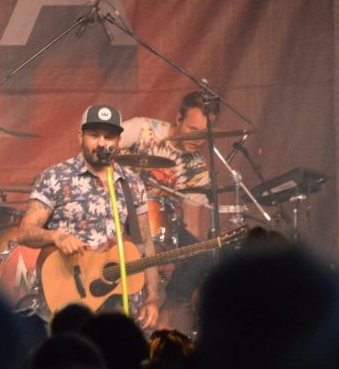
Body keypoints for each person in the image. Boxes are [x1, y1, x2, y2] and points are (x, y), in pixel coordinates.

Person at [16, 104, 162, 329]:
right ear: (80, 136)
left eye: (109, 136)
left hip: (118, 306)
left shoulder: (132, 183)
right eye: (94, 135)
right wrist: (57, 237)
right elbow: (25, 232)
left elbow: (146, 245)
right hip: (69, 301)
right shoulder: (56, 177)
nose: (102, 143)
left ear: (118, 141)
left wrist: (152, 297)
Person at [119, 91, 221, 332]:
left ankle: (167, 311)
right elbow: (100, 148)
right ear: (178, 118)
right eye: (192, 129)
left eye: (203, 133)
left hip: (160, 222)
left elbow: (192, 225)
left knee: (201, 253)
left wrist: (180, 255)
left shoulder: (197, 168)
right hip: (120, 212)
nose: (197, 138)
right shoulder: (143, 130)